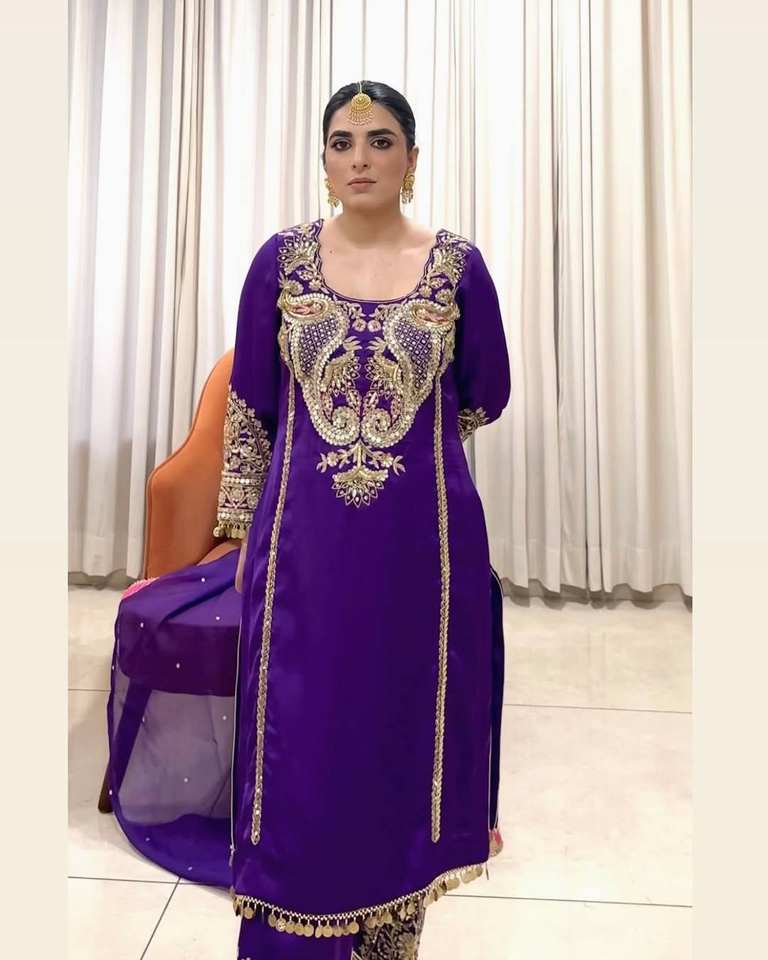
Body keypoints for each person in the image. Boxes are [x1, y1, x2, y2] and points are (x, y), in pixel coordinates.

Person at [220, 80, 510, 960]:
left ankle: (391, 939)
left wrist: (406, 455)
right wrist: (240, 530)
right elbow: (252, 410)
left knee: (400, 736)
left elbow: (484, 393)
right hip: (304, 551)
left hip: (422, 553)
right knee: (303, 739)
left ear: (411, 160)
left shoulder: (456, 268)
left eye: (381, 141)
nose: (360, 159)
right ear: (323, 160)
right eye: (343, 143)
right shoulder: (282, 263)